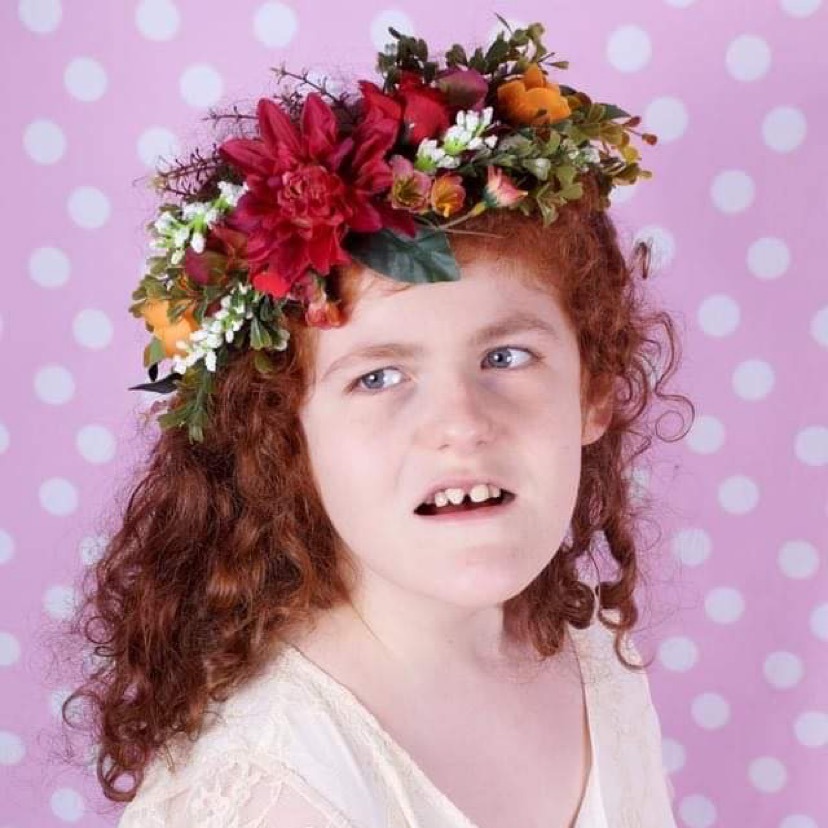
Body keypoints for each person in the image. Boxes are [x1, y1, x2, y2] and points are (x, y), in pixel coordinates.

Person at [57, 19, 692, 828]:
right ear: (287, 438)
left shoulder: (595, 653)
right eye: (379, 376)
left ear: (593, 391)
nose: (461, 424)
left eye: (505, 357)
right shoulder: (277, 789)